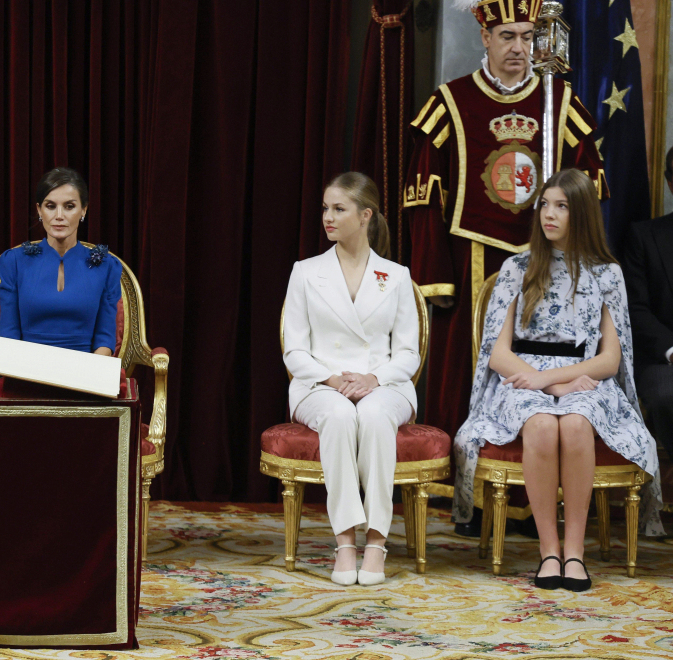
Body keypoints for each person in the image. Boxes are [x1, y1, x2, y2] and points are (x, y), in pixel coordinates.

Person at [404, 1, 607, 535]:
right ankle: (472, 501)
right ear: (485, 40)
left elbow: (590, 184)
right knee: (476, 374)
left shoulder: (558, 102)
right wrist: (435, 276)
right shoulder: (451, 102)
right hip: (472, 260)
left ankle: (535, 501)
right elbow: (422, 196)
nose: (518, 48)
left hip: (550, 264)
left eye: (526, 37)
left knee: (549, 376)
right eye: (507, 36)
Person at [454, 169, 662, 592]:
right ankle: (549, 552)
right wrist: (548, 384)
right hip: (522, 377)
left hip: (584, 378)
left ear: (581, 212)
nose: (548, 214)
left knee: (576, 423)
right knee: (544, 424)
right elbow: (497, 352)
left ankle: (575, 553)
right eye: (545, 204)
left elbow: (610, 359)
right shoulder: (517, 268)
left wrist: (562, 381)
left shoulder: (607, 273)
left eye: (561, 206)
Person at [283, 172, 420, 586]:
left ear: (365, 216)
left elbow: (409, 354)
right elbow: (294, 350)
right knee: (341, 417)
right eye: (325, 208)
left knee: (376, 417)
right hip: (318, 386)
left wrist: (374, 378)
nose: (327, 216)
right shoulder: (305, 272)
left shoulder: (396, 276)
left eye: (338, 209)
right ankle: (344, 541)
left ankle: (376, 541)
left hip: (386, 386)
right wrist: (332, 380)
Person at [0, 168, 121, 354]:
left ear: (83, 210)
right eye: (50, 206)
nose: (59, 216)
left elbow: (105, 339)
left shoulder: (106, 266)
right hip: (26, 371)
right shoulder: (14, 262)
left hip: (83, 375)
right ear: (39, 210)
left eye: (69, 206)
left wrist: (88, 377)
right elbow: (8, 335)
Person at [625, 145, 673, 464]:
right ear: (670, 182)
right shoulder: (643, 236)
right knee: (667, 395)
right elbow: (636, 309)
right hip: (662, 360)